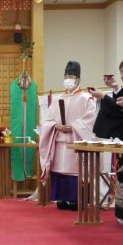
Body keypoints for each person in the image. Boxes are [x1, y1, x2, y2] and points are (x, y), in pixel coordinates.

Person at [89, 57, 123, 222]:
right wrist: (114, 88)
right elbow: (121, 102)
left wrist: (104, 97)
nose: (122, 75)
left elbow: (122, 108)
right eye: (121, 72)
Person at [39, 61, 97, 211]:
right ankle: (61, 198)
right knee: (59, 171)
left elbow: (90, 120)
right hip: (59, 141)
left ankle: (77, 200)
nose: (67, 79)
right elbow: (48, 119)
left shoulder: (86, 99)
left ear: (78, 79)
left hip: (75, 141)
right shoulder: (58, 99)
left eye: (70, 76)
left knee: (75, 171)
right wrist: (55, 126)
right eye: (65, 76)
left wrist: (73, 127)